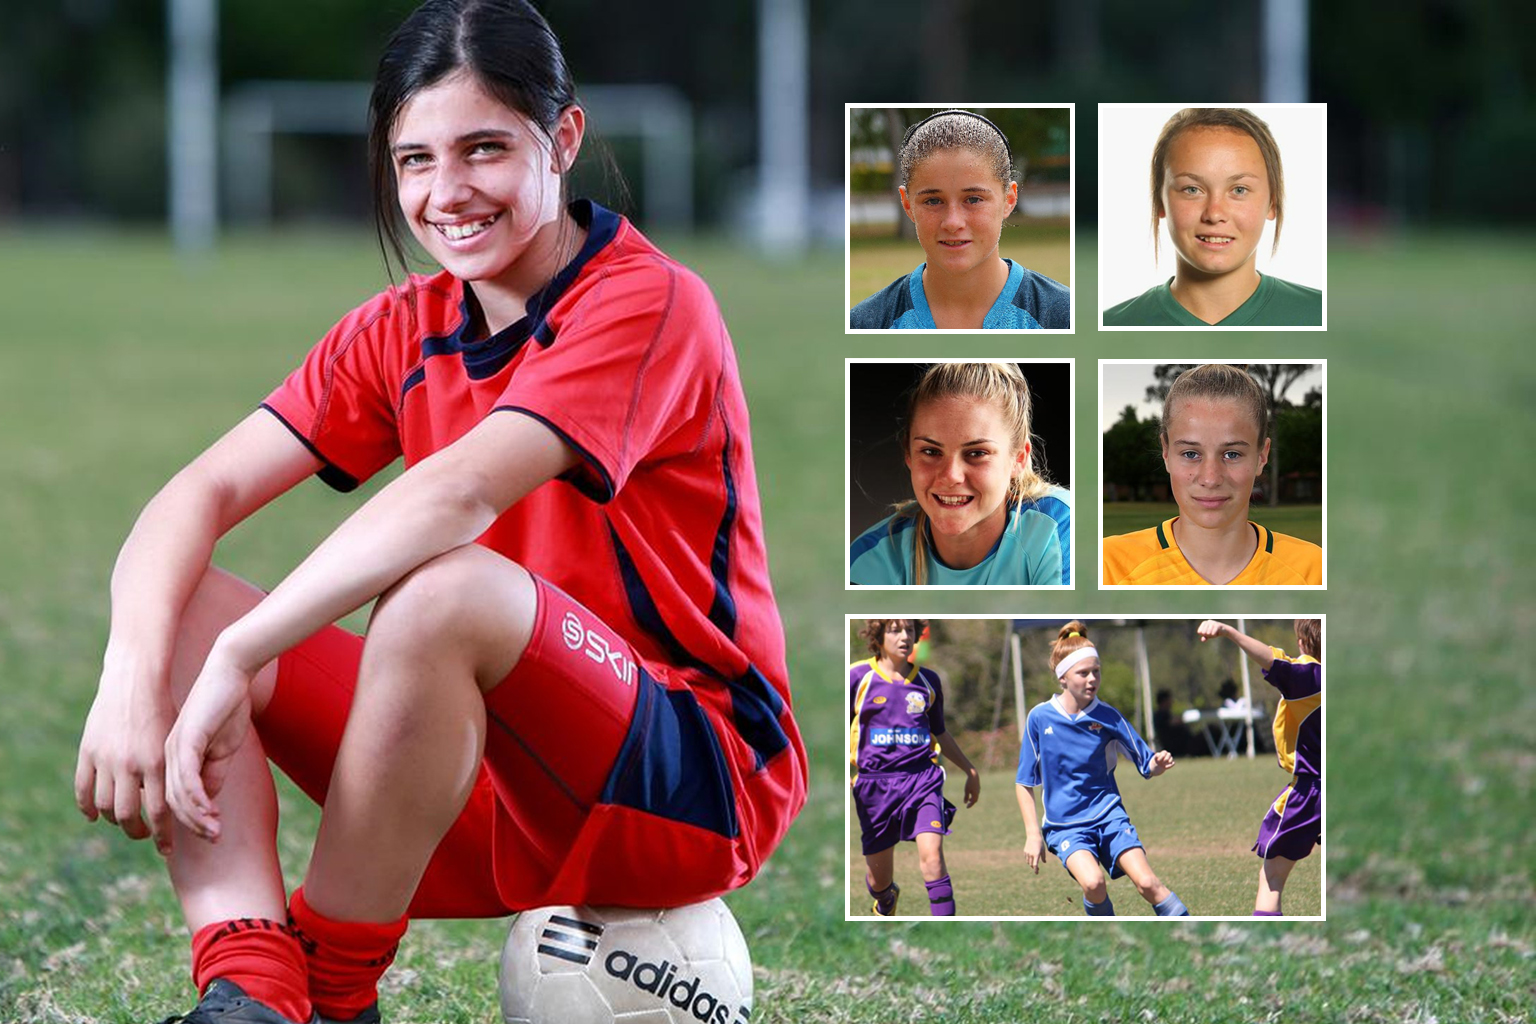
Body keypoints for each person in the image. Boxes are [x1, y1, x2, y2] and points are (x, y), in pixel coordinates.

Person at [71, 3, 808, 1022]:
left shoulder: (650, 302)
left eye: (484, 149)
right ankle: (252, 985)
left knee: (437, 593)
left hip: (689, 783)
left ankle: (334, 981)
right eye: (415, 159)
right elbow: (194, 496)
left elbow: (457, 493)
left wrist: (241, 656)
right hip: (467, 781)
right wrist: (132, 670)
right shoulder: (402, 329)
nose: (446, 192)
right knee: (179, 602)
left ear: (564, 140)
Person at [1015, 622, 1191, 917]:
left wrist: (1157, 764)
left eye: (1096, 671)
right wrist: (1033, 834)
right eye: (1083, 673)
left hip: (1109, 815)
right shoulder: (1039, 718)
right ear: (1063, 677)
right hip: (1065, 825)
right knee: (1094, 884)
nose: (1092, 678)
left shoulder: (1108, 716)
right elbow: (1024, 782)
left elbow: (1145, 764)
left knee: (1148, 883)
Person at [849, 362, 1072, 586]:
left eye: (977, 453)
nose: (951, 475)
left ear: (1019, 458)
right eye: (930, 451)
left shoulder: (1058, 525)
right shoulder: (869, 559)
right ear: (909, 454)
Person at [1102, 363, 1322, 585]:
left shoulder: (1313, 569)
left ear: (1261, 456)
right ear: (1166, 452)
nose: (1210, 478)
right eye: (1190, 454)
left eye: (1232, 454)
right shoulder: (1108, 564)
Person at [849, 109, 1070, 330]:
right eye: (933, 201)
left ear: (1009, 199)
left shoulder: (1064, 315)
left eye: (973, 199)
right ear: (907, 204)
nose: (953, 222)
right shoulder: (864, 324)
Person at [1103, 107, 1322, 327]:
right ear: (1159, 201)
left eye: (1239, 190)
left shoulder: (1319, 314)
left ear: (1272, 203)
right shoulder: (1114, 323)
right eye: (1192, 189)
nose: (1214, 214)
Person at [850, 620, 980, 917]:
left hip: (922, 780)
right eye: (895, 630)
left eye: (909, 630)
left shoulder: (929, 681)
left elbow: (940, 732)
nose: (904, 637)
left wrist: (970, 770)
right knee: (878, 881)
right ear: (879, 637)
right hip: (875, 787)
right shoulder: (858, 677)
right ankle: (885, 898)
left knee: (932, 857)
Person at [1198, 618, 1322, 916]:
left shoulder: (1310, 677)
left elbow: (1269, 657)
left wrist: (1228, 631)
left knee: (1272, 879)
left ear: (1303, 643)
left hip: (1313, 792)